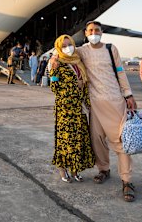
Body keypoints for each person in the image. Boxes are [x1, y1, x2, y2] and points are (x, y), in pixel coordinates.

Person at [52, 21, 137, 202]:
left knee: (121, 142)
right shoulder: (82, 50)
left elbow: (120, 71)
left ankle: (127, 180)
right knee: (97, 141)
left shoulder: (110, 49)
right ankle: (104, 169)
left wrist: (128, 94)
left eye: (96, 30)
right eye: (90, 30)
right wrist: (53, 59)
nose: (93, 33)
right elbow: (63, 49)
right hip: (94, 105)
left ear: (102, 32)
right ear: (85, 33)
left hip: (114, 101)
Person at [49, 35, 95, 183]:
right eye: (64, 46)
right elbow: (54, 88)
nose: (67, 48)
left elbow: (85, 84)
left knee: (79, 140)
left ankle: (75, 170)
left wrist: (88, 102)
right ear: (58, 48)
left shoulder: (78, 62)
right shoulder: (56, 63)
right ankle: (62, 169)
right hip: (65, 110)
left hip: (80, 109)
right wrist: (76, 87)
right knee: (65, 141)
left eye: (70, 45)